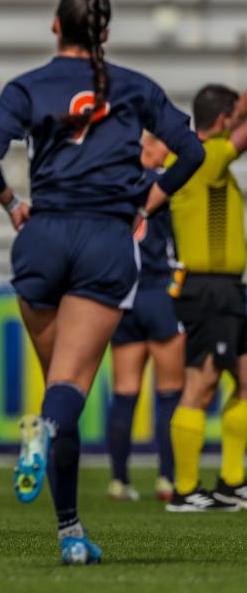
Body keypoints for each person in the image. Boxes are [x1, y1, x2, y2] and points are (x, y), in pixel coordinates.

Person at [0, 0, 205, 563]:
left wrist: (11, 204)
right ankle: (46, 447)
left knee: (57, 390)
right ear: (104, 33)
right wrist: (149, 201)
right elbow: (192, 152)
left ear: (56, 26)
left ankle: (71, 534)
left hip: (42, 235)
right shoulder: (134, 86)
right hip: (104, 237)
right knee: (67, 392)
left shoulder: (27, 86)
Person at [166, 84, 247, 512]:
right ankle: (185, 489)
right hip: (208, 288)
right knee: (202, 384)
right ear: (221, 120)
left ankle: (232, 481)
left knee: (244, 382)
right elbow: (240, 139)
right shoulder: (203, 156)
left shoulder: (209, 160)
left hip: (229, 289)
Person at [106, 134, 185, 503]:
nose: (167, 149)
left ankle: (120, 480)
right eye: (159, 143)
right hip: (157, 292)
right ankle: (167, 478)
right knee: (169, 393)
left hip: (124, 297)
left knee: (125, 394)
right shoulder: (164, 184)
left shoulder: (113, 182)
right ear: (145, 147)